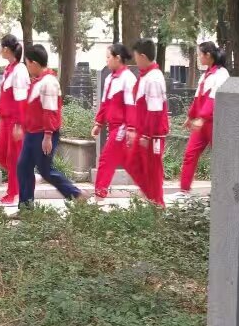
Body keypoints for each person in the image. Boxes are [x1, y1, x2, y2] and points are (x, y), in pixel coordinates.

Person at [16, 44, 86, 211]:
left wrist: (47, 136)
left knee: (46, 170)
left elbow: (50, 111)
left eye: (27, 63)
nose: (27, 67)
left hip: (43, 134)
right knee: (23, 167)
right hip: (32, 133)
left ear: (34, 63)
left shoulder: (49, 82)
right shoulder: (38, 81)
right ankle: (26, 208)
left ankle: (75, 194)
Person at [174, 41, 230, 200]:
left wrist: (202, 118)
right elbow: (198, 97)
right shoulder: (206, 74)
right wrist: (190, 117)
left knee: (220, 157)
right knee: (190, 153)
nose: (199, 57)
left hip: (214, 123)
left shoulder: (222, 74)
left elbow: (214, 98)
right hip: (201, 123)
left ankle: (223, 191)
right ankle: (184, 190)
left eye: (200, 54)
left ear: (208, 55)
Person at [91, 43, 140, 200]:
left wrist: (131, 128)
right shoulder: (109, 79)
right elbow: (105, 103)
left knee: (106, 159)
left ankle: (99, 194)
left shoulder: (128, 78)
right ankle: (150, 187)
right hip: (112, 126)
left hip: (122, 126)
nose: (106, 60)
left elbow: (131, 105)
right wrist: (98, 123)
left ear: (117, 58)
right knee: (128, 162)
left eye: (108, 57)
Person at [132, 39, 169, 206]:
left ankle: (158, 204)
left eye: (135, 56)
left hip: (153, 134)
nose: (135, 60)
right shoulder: (146, 76)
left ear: (143, 56)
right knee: (139, 165)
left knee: (153, 170)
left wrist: (147, 134)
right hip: (144, 132)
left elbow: (155, 110)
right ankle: (150, 199)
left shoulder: (153, 78)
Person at [0, 34, 31, 205]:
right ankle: (22, 178)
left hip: (15, 122)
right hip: (5, 120)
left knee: (13, 157)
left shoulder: (20, 70)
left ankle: (13, 192)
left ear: (6, 49)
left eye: (1, 47)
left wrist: (19, 123)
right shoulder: (9, 69)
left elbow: (22, 100)